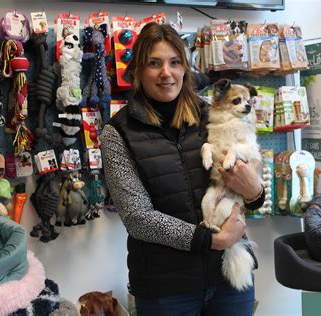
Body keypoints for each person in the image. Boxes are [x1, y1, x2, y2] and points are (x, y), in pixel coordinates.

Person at [101, 22, 264, 316]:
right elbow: (138, 218)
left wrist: (256, 192)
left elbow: (247, 183)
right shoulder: (118, 133)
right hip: (166, 290)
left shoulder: (212, 115)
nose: (167, 73)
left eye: (175, 62)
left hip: (230, 276)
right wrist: (211, 240)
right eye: (154, 63)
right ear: (138, 69)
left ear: (185, 68)